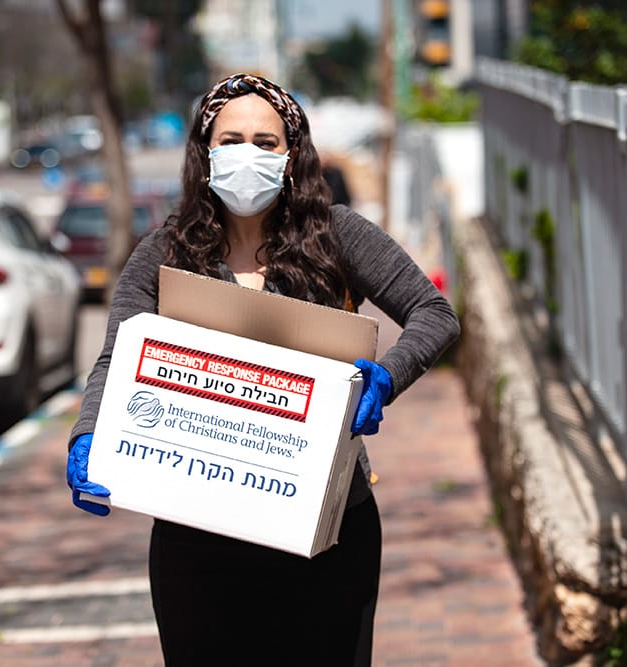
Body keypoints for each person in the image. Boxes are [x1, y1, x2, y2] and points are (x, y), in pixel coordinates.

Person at [66, 72, 460, 666]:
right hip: (196, 539)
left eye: (265, 141)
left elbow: (435, 314)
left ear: (292, 155)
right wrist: (88, 436)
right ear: (204, 153)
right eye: (229, 140)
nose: (245, 153)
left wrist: (387, 376)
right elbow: (118, 357)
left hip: (327, 532)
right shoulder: (163, 253)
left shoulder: (339, 236)